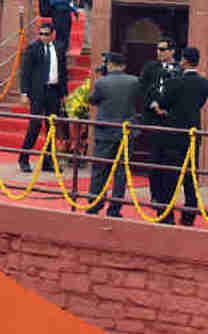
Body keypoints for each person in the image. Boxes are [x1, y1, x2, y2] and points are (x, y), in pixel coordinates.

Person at [152, 47, 208, 226]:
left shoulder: (174, 83)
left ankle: (166, 215)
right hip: (193, 133)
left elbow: (162, 104)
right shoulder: (204, 83)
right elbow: (199, 104)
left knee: (170, 176)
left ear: (184, 60)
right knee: (191, 175)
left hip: (174, 134)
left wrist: (161, 108)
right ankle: (189, 215)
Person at [85, 52, 140, 218]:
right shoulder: (134, 81)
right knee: (121, 172)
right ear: (123, 66)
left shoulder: (102, 82)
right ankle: (115, 208)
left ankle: (95, 204)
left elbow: (93, 100)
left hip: (105, 132)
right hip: (125, 132)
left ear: (109, 64)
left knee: (99, 169)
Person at [18, 22, 69, 173]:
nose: (43, 37)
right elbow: (25, 72)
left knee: (51, 127)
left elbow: (63, 72)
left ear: (52, 34)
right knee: (34, 125)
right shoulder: (33, 48)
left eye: (46, 34)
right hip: (38, 92)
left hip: (53, 91)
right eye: (41, 34)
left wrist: (63, 93)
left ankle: (48, 161)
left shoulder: (59, 48)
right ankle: (24, 158)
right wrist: (24, 93)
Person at [139, 38, 181, 217]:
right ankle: (156, 195)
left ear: (172, 51)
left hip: (172, 122)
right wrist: (154, 105)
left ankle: (167, 199)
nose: (159, 52)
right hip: (154, 120)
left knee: (170, 163)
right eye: (157, 49)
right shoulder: (150, 67)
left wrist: (169, 109)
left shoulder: (180, 69)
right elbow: (143, 88)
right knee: (154, 161)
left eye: (163, 49)